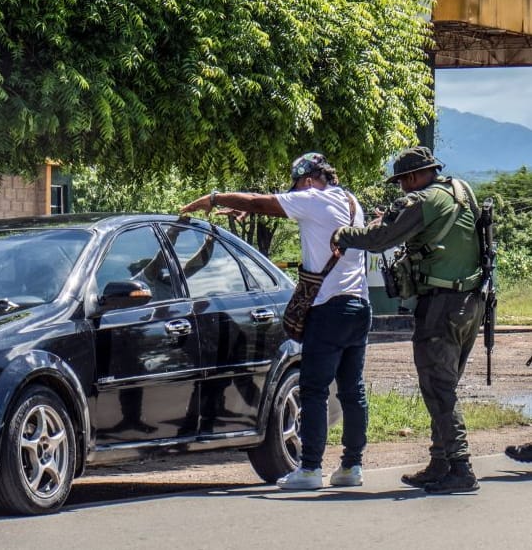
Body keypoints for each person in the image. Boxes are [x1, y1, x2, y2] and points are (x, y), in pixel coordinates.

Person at [180, 152, 371, 490]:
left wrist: (214, 199)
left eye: (297, 185)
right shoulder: (351, 202)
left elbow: (260, 202)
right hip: (360, 306)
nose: (295, 193)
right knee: (352, 391)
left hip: (329, 309)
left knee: (313, 389)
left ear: (309, 180)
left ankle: (310, 468)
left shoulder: (312, 198)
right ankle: (352, 466)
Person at [331, 145, 484, 494]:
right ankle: (441, 462)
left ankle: (461, 467)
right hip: (471, 302)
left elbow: (378, 239)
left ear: (414, 177)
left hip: (440, 306)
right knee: (443, 385)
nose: (401, 188)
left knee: (439, 387)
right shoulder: (461, 190)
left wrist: (342, 235)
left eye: (402, 181)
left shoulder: (419, 202)